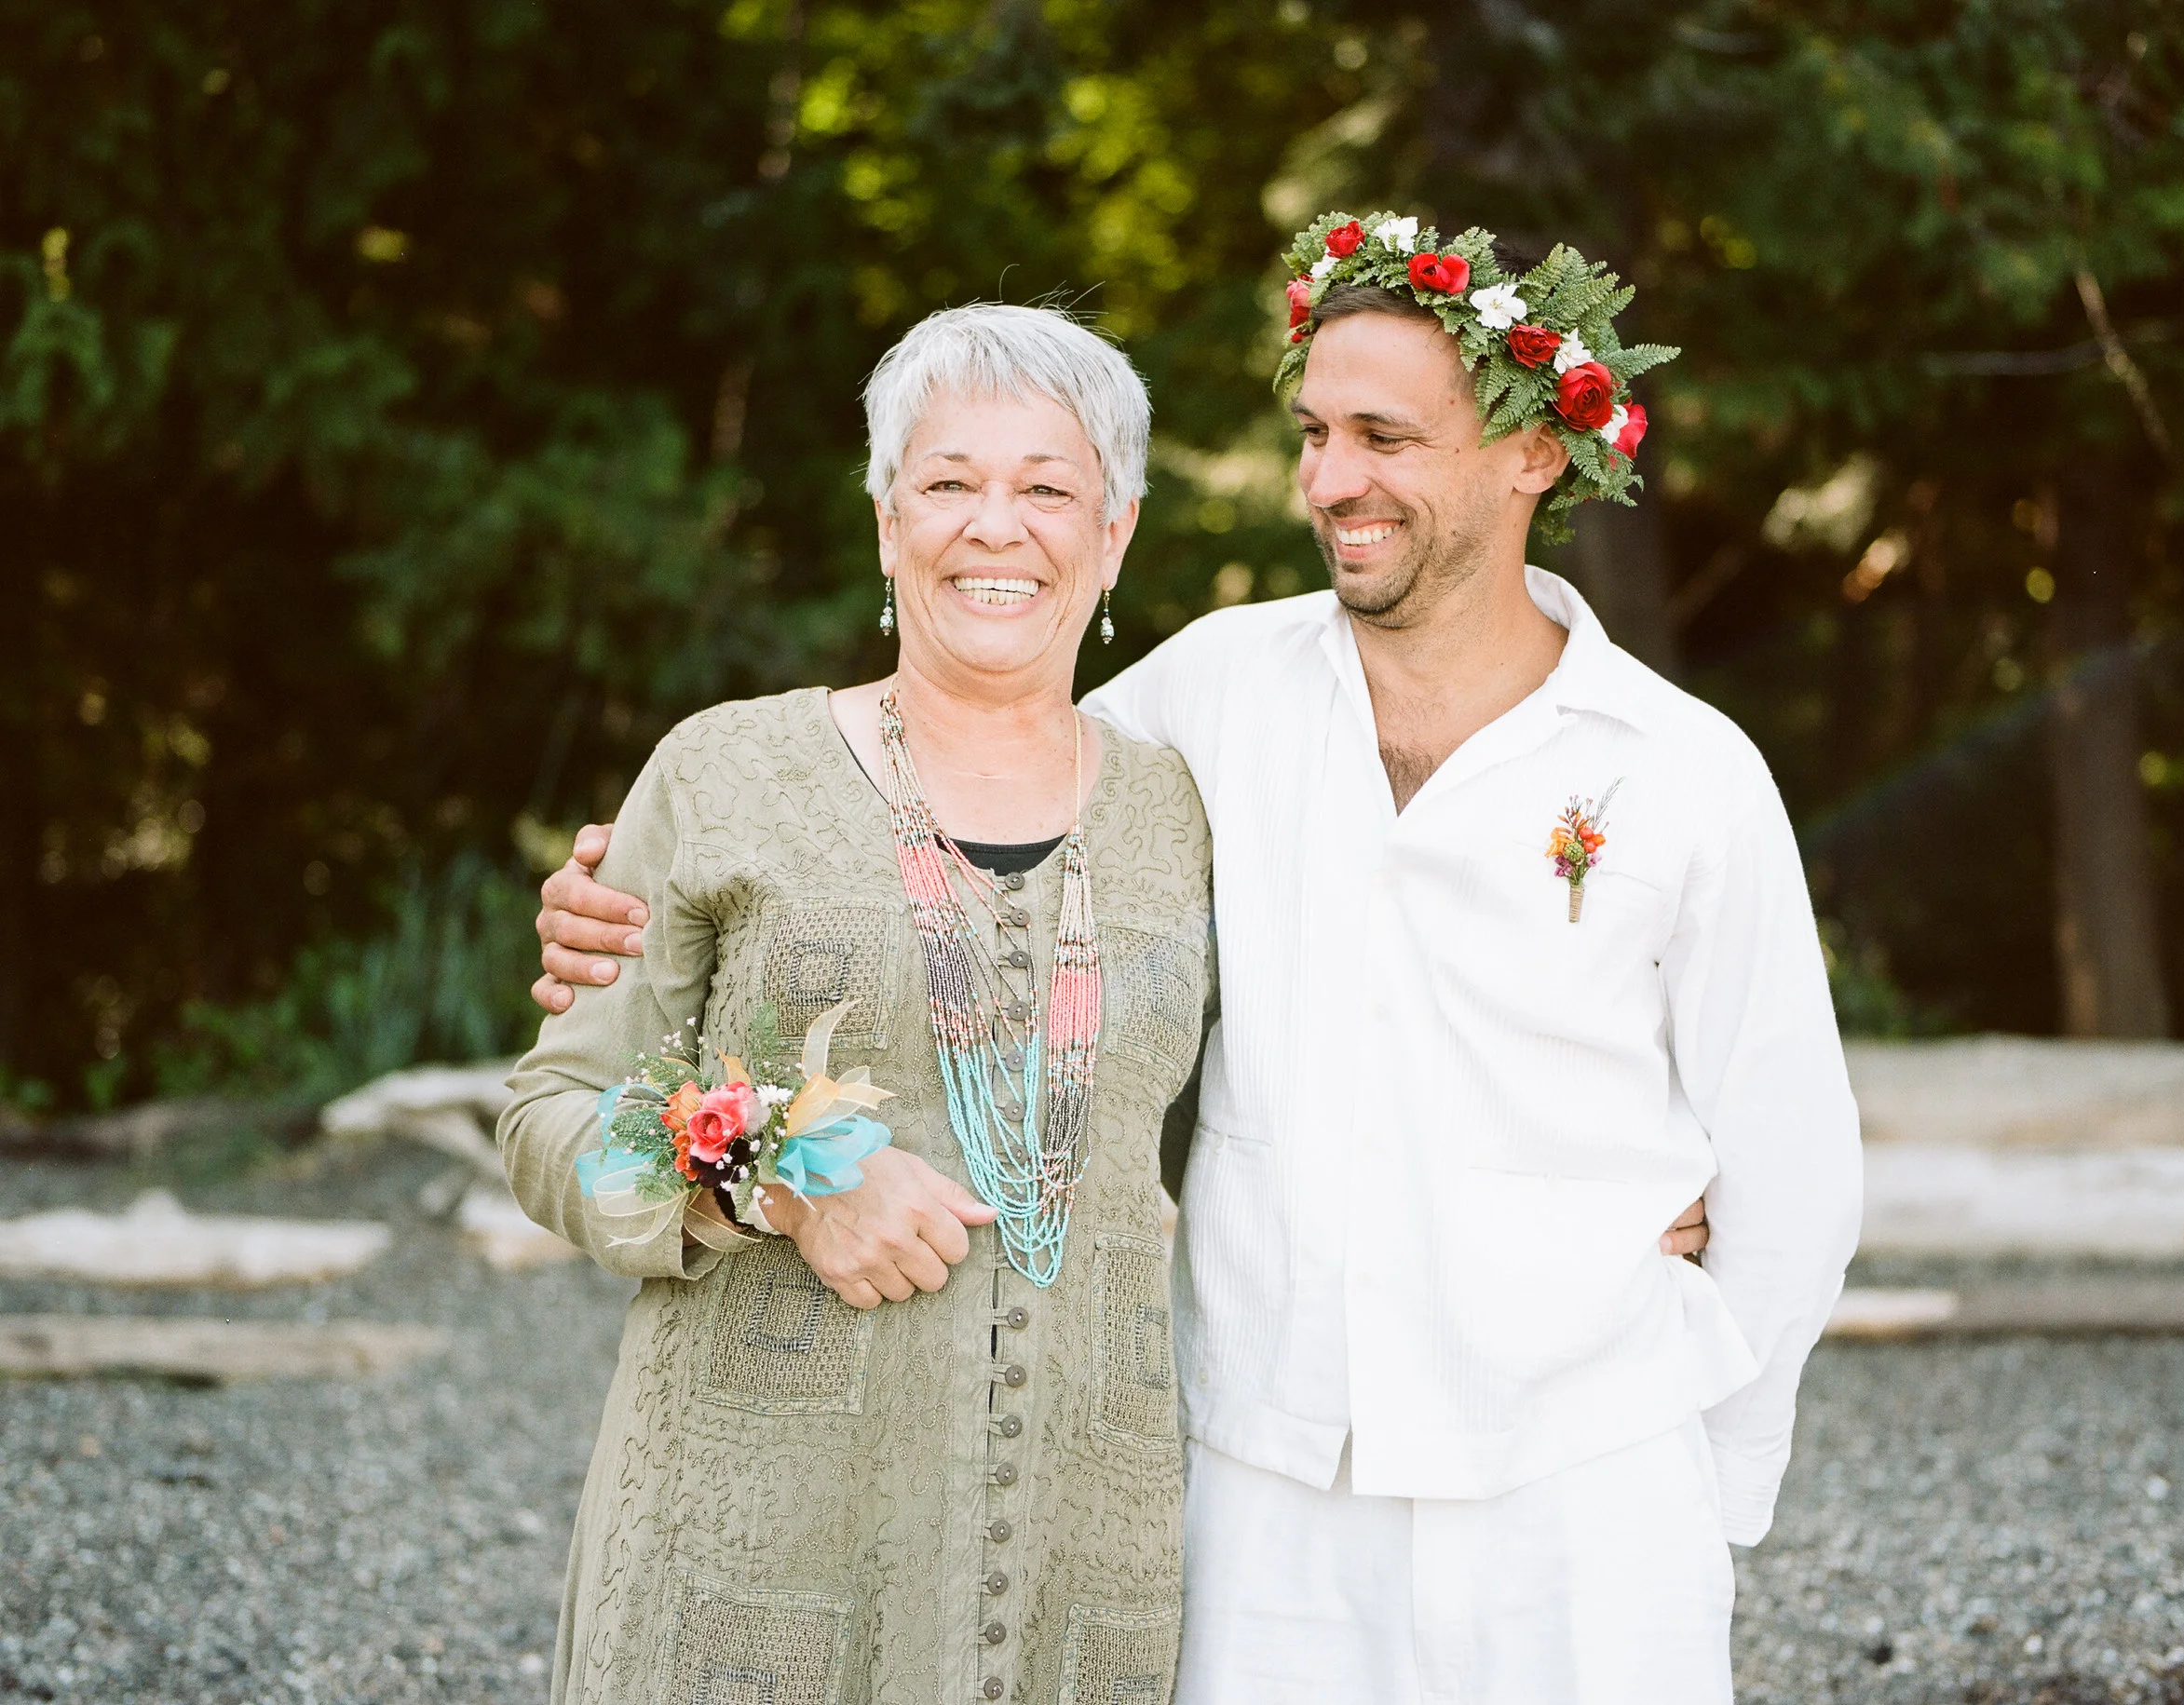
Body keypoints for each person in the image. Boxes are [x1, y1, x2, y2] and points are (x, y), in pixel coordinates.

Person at [536, 213, 1856, 1704]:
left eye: (1386, 437)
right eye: (1315, 433)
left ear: (1535, 451)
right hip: (1269, 1489)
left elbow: (1793, 1164)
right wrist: (612, 898)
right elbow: (951, 768)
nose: (1334, 479)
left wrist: (1713, 1493)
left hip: (1588, 1482)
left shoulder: (1684, 768)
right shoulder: (1214, 699)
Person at [498, 304, 1214, 1705]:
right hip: (751, 1542)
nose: (994, 526)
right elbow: (550, 1113)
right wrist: (781, 1175)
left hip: (1087, 1558)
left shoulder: (1190, 813)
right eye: (948, 481)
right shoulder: (724, 773)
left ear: (1115, 532)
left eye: (1047, 486)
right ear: (889, 523)